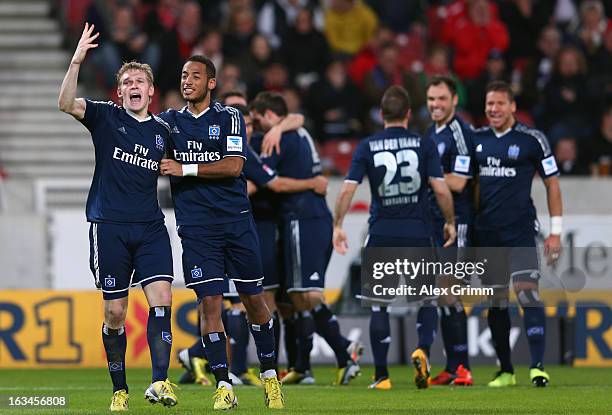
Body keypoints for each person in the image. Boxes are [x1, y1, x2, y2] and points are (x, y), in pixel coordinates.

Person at [58, 23, 177, 411]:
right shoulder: (106, 117)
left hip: (150, 227)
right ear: (121, 91)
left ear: (151, 91)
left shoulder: (163, 130)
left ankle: (161, 382)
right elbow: (64, 103)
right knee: (115, 312)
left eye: (139, 80)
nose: (133, 85)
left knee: (162, 298)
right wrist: (76, 60)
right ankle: (120, 390)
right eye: (127, 81)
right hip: (109, 226)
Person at [157, 55, 284, 410]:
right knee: (209, 304)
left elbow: (233, 166)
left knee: (253, 301)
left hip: (236, 223)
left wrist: (185, 168)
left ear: (211, 83)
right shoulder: (169, 123)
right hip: (196, 230)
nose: (187, 81)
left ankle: (270, 377)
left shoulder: (228, 117)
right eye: (183, 75)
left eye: (195, 76)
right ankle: (223, 384)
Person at [175, 90, 309, 386]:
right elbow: (267, 183)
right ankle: (227, 370)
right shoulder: (202, 134)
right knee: (213, 301)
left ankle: (222, 362)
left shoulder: (249, 146)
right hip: (210, 229)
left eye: (246, 119)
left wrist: (278, 127)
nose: (243, 125)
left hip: (241, 228)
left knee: (246, 301)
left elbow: (297, 118)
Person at [333, 85, 457, 390]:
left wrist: (337, 224)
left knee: (378, 306)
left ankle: (382, 376)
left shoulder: (367, 146)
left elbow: (348, 189)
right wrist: (451, 221)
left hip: (382, 233)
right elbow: (441, 189)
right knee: (428, 300)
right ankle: (423, 350)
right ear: (409, 114)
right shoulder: (423, 144)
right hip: (418, 232)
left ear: (381, 113)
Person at [250, 91, 360, 386]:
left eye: (259, 119)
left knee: (306, 294)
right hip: (306, 219)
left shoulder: (275, 139)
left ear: (269, 115)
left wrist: (310, 182)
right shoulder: (297, 130)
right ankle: (303, 366)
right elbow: (295, 117)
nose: (257, 125)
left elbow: (274, 183)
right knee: (294, 298)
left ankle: (344, 346)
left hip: (302, 219)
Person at [473, 80, 562, 387]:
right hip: (486, 235)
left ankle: (537, 366)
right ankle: (506, 370)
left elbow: (552, 183)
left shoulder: (532, 139)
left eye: (499, 104)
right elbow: (465, 185)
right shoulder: (476, 140)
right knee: (495, 302)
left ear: (512, 106)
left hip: (520, 232)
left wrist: (556, 232)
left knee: (527, 294)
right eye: (489, 104)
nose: (493, 109)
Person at [424, 76, 474, 386]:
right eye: (431, 99)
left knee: (450, 292)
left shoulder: (460, 132)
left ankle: (463, 366)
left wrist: (428, 175)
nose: (435, 105)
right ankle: (453, 365)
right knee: (441, 294)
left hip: (456, 222)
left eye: (441, 99)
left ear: (454, 100)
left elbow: (459, 181)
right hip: (435, 221)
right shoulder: (432, 132)